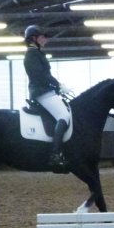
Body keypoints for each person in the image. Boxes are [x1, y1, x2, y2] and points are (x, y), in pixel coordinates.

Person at [23, 25, 72, 171]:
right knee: (64, 116)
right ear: (33, 38)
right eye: (42, 37)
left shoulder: (37, 53)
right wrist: (59, 85)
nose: (45, 39)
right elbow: (42, 75)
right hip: (41, 93)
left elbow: (45, 76)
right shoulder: (32, 55)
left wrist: (57, 89)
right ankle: (55, 155)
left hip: (46, 91)